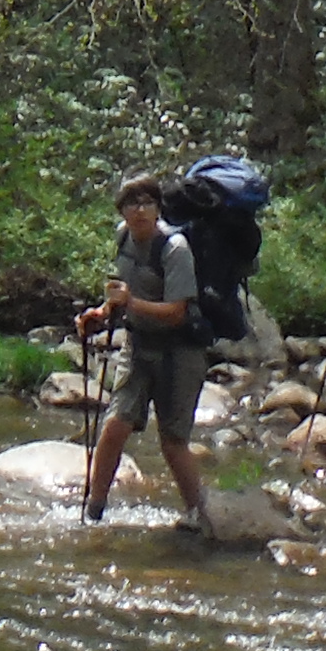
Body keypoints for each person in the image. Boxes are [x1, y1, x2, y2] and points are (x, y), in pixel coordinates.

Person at [79, 174, 215, 529]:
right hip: (138, 345)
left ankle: (201, 518)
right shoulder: (123, 238)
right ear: (121, 210)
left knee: (173, 441)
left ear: (158, 209)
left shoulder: (175, 249)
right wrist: (101, 312)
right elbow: (122, 293)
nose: (140, 211)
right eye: (131, 204)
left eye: (147, 203)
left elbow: (177, 311)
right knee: (115, 425)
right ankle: (93, 512)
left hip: (180, 352)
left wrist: (130, 303)